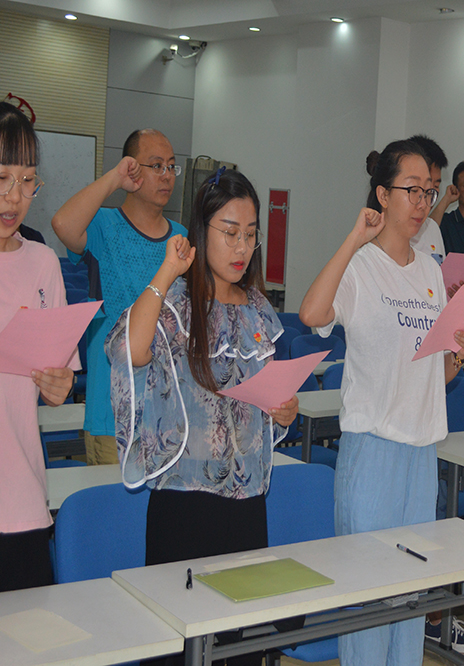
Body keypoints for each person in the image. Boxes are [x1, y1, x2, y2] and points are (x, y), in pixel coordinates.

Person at [105, 168, 299, 666]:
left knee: (238, 648)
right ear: (201, 230)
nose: (242, 247)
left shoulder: (259, 310)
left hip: (246, 506)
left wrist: (284, 410)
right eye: (230, 233)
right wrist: (167, 271)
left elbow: (266, 402)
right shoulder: (176, 304)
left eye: (251, 235)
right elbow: (128, 351)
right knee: (180, 646)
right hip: (185, 504)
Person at [299, 140, 464, 665]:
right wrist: (355, 237)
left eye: (429, 192)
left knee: (410, 596)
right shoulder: (360, 266)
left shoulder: (429, 271)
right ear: (382, 194)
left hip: (421, 452)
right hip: (373, 448)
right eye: (411, 190)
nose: (422, 202)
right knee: (368, 597)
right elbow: (312, 314)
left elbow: (434, 373)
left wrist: (462, 353)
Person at [52, 128, 187, 466]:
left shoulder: (182, 238)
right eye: (156, 165)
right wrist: (114, 178)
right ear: (132, 168)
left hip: (167, 414)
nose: (167, 175)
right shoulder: (103, 225)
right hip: (112, 413)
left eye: (171, 166)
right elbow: (63, 224)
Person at [0, 101, 77, 592]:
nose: (14, 196)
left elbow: (59, 383)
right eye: (2, 178)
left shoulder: (44, 263)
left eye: (28, 181)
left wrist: (58, 384)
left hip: (21, 498)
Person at [408, 134, 448, 264]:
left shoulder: (433, 229)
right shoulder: (387, 234)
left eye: (435, 186)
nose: (430, 194)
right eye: (424, 185)